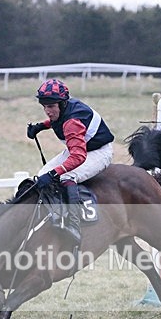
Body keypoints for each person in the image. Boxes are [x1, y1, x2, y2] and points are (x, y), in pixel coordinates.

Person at [26, 78, 115, 245]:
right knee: (41, 175)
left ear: (62, 103)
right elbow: (56, 120)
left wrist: (55, 173)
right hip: (80, 149)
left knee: (66, 176)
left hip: (98, 152)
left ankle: (74, 225)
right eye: (44, 106)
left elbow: (78, 157)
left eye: (50, 106)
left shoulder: (72, 122)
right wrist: (41, 126)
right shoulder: (65, 109)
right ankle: (55, 215)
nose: (47, 111)